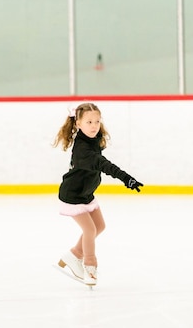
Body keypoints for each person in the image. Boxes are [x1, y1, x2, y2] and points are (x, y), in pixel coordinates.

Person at [53, 102, 143, 286]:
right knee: (90, 229)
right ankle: (90, 268)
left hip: (86, 193)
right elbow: (104, 165)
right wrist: (126, 178)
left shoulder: (93, 138)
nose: (94, 126)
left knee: (99, 226)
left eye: (97, 121)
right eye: (89, 122)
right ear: (78, 123)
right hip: (73, 195)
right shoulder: (83, 150)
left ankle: (73, 255)